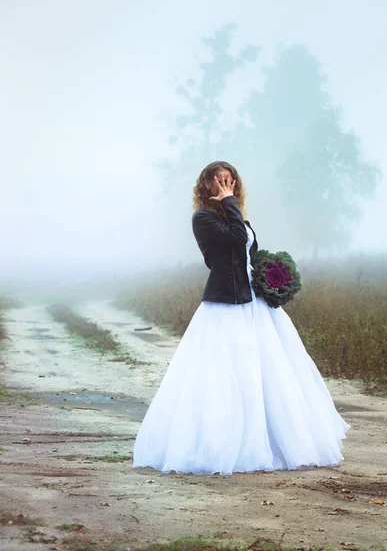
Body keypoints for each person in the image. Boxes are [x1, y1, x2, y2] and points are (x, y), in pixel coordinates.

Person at [132, 161, 350, 475]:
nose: (225, 185)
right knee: (227, 372)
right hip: (226, 303)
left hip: (255, 303)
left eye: (230, 180)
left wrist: (273, 277)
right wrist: (230, 204)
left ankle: (275, 442)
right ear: (206, 185)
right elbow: (235, 239)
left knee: (269, 371)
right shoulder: (203, 219)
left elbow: (249, 252)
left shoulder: (236, 216)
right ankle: (223, 446)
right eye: (219, 181)